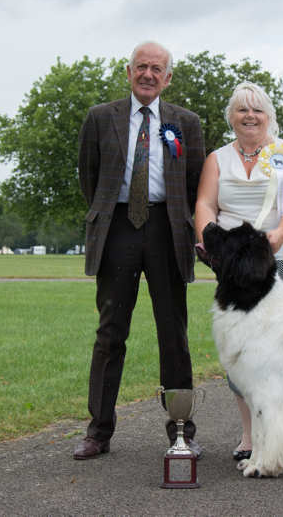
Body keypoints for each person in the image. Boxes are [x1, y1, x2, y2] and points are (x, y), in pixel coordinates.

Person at [75, 41, 205, 460]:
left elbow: (196, 184)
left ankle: (181, 430)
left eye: (157, 69)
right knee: (110, 332)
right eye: (141, 67)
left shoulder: (187, 122)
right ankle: (99, 430)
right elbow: (88, 178)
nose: (148, 74)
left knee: (174, 333)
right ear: (129, 72)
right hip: (117, 231)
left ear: (168, 78)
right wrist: (109, 215)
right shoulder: (100, 118)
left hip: (167, 232)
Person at [195, 81, 283, 460]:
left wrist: (278, 235)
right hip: (232, 263)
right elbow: (205, 203)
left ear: (269, 116)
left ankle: (278, 435)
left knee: (278, 352)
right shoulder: (217, 159)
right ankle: (250, 437)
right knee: (241, 349)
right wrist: (206, 242)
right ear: (231, 116)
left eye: (257, 109)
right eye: (242, 109)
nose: (250, 116)